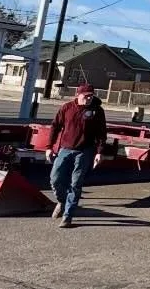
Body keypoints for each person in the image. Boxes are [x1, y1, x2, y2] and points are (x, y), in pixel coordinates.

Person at [45, 83, 107, 228]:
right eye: (86, 96)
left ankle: (67, 216)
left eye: (91, 95)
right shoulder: (67, 108)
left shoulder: (97, 111)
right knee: (55, 179)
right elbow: (55, 126)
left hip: (85, 151)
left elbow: (101, 134)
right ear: (78, 95)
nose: (89, 98)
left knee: (75, 183)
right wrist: (49, 147)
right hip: (65, 149)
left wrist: (100, 152)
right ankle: (62, 201)